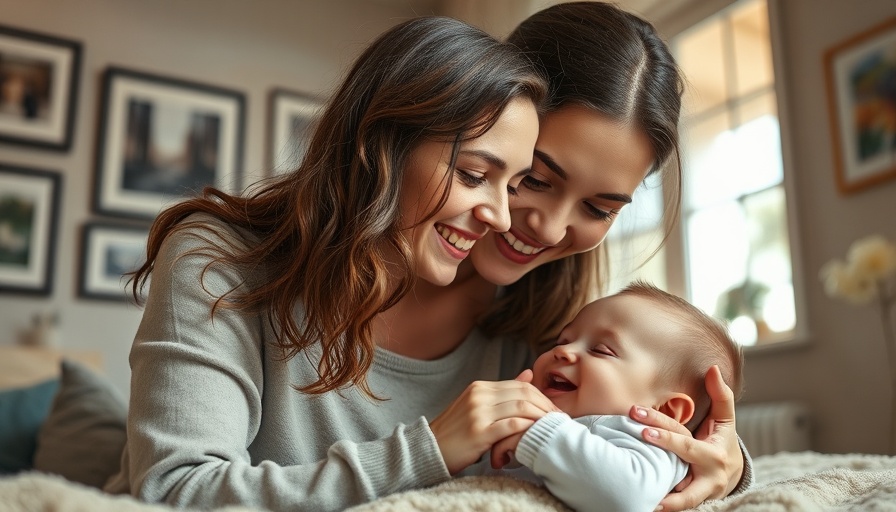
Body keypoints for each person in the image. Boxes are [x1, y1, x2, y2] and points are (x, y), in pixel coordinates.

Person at [104, 16, 550, 511]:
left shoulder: (521, 332)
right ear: (381, 148)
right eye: (472, 174)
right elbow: (175, 491)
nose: (501, 216)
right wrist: (427, 451)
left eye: (512, 186)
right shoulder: (216, 258)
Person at [423, 3, 753, 510]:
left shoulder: (548, 332)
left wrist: (722, 457)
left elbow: (628, 433)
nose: (550, 228)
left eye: (599, 208)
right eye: (533, 179)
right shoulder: (259, 280)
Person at [479, 281, 745, 512]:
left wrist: (538, 431)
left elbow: (627, 497)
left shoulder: (649, 440)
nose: (564, 351)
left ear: (666, 411)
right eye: (562, 340)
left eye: (601, 350)